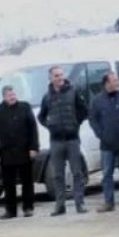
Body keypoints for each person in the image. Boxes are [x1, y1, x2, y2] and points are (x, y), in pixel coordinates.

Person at [38, 65, 90, 216]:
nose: (59, 78)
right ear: (50, 78)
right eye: (56, 76)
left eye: (61, 75)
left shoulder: (73, 92)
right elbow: (41, 116)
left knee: (77, 173)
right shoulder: (47, 97)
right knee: (57, 175)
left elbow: (84, 110)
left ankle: (79, 204)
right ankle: (60, 206)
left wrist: (76, 123)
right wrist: (50, 126)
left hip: (72, 139)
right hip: (56, 141)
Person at [88, 71, 119, 213]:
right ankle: (109, 202)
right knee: (107, 173)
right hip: (107, 143)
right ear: (106, 83)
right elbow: (93, 119)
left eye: (117, 80)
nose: (118, 83)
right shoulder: (97, 100)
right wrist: (101, 134)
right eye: (114, 80)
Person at [0, 85, 40, 219]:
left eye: (13, 94)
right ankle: (10, 211)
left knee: (27, 181)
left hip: (25, 151)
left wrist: (34, 147)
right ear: (4, 97)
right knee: (8, 184)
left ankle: (28, 208)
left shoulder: (25, 107)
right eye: (9, 95)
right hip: (6, 153)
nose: (12, 97)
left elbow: (33, 129)